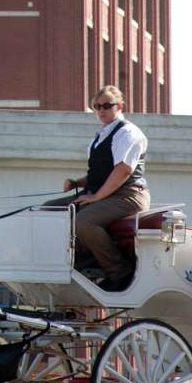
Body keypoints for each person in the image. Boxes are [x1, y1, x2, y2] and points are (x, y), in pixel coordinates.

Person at [46, 85, 149, 292]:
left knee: (83, 222)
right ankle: (81, 263)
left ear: (119, 106)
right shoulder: (102, 134)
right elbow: (102, 173)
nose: (101, 110)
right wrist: (78, 183)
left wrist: (97, 196)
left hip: (128, 195)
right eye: (97, 106)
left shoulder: (127, 133)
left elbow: (123, 171)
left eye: (107, 105)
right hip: (105, 194)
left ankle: (119, 272)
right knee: (48, 210)